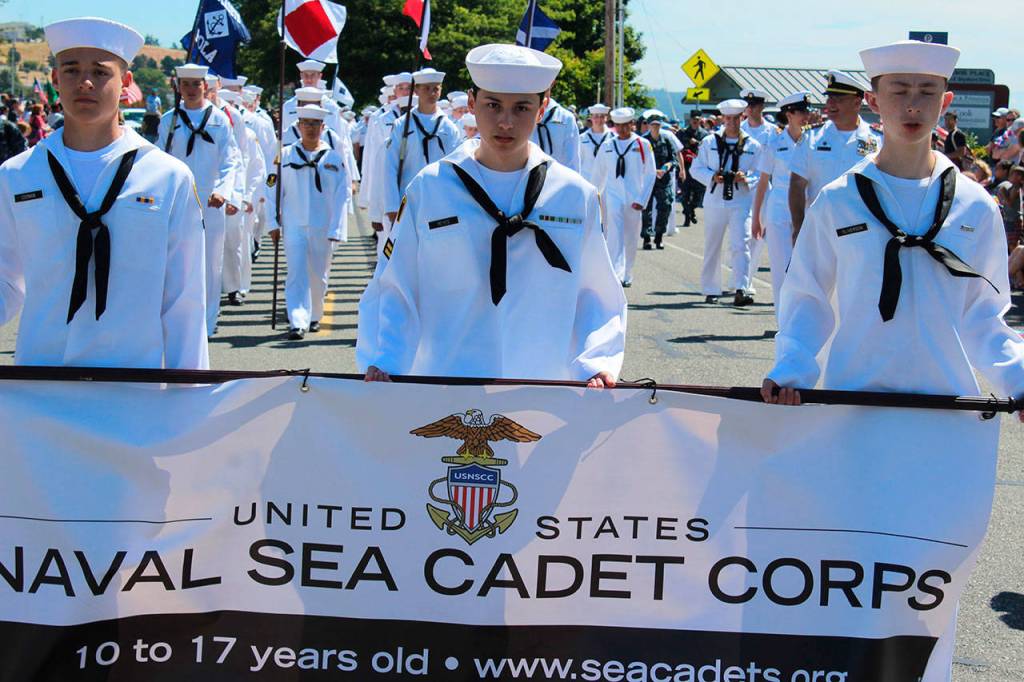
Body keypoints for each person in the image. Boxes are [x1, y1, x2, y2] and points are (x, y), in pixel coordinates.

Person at [762, 38, 1024, 682]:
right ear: (874, 100)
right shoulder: (841, 201)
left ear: (944, 101)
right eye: (899, 91)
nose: (913, 104)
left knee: (934, 579)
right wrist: (793, 368)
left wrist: (1017, 383)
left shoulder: (975, 205)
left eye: (926, 92)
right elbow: (806, 301)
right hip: (855, 416)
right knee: (852, 573)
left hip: (948, 423)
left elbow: (987, 316)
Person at [361, 43, 626, 385]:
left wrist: (596, 362)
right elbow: (396, 283)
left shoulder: (574, 196)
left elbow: (597, 290)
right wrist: (386, 360)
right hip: (447, 379)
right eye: (492, 105)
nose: (505, 121)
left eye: (521, 108)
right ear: (471, 103)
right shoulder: (431, 188)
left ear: (542, 108)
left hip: (541, 383)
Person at [0, 17, 208, 369]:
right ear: (54, 79)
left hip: (134, 386)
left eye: (100, 72)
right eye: (70, 70)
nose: (84, 82)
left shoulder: (166, 176)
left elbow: (184, 300)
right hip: (41, 383)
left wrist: (190, 398)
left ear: (125, 82)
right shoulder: (17, 175)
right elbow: (6, 281)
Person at [157, 63, 241, 338]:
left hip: (210, 201)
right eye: (186, 84)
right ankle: (179, 320)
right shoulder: (169, 120)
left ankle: (207, 322)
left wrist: (223, 190)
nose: (191, 90)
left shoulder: (219, 120)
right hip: (177, 200)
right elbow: (158, 159)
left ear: (206, 87)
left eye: (196, 84)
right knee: (177, 263)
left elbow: (231, 161)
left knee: (210, 265)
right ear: (178, 87)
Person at [268, 105, 349, 340]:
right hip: (293, 223)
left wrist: (337, 227)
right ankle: (297, 320)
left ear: (323, 128)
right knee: (295, 272)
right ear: (298, 126)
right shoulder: (284, 155)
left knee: (318, 274)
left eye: (315, 124)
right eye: (306, 124)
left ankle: (315, 314)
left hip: (322, 226)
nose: (311, 129)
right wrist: (273, 222)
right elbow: (272, 188)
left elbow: (341, 196)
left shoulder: (333, 158)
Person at [788, 70, 883, 241]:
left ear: (856, 102)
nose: (830, 104)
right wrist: (798, 227)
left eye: (838, 99)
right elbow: (797, 184)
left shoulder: (878, 140)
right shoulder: (811, 138)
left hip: (862, 231)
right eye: (829, 98)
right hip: (820, 229)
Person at [689, 99, 763, 306]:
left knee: (742, 243)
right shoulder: (709, 142)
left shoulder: (752, 145)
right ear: (722, 119)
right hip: (715, 200)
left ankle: (741, 287)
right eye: (728, 118)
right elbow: (696, 169)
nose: (731, 122)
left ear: (742, 118)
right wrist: (712, 176)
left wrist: (746, 177)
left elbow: (760, 173)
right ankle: (711, 288)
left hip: (741, 201)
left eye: (735, 118)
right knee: (713, 245)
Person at [750, 91, 811, 314]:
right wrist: (757, 217)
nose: (806, 116)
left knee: (804, 267)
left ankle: (801, 316)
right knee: (780, 267)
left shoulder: (812, 141)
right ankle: (782, 318)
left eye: (807, 111)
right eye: (801, 112)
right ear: (789, 114)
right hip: (778, 211)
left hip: (806, 211)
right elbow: (763, 182)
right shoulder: (774, 143)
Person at [383, 67, 463, 223]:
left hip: (440, 200)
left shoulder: (449, 127)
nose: (432, 93)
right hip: (408, 198)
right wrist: (392, 206)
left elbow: (456, 167)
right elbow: (390, 166)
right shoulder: (402, 124)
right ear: (417, 91)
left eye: (436, 89)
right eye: (427, 88)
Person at [591, 107, 656, 287]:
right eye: (618, 126)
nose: (621, 130)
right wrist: (593, 197)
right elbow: (598, 174)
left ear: (632, 124)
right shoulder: (607, 146)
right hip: (613, 196)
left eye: (625, 126)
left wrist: (642, 200)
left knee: (631, 237)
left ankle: (627, 272)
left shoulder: (642, 145)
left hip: (634, 197)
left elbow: (650, 173)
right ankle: (615, 273)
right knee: (614, 234)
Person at [641, 112, 678, 250]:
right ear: (649, 126)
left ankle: (659, 236)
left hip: (664, 179)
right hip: (648, 179)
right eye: (653, 125)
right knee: (646, 209)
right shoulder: (643, 142)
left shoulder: (666, 140)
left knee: (665, 207)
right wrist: (651, 171)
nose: (655, 128)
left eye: (657, 125)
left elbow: (673, 159)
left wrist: (667, 167)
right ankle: (646, 238)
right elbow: (638, 161)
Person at [531, 91, 582, 173]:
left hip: (557, 180)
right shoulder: (521, 114)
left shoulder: (566, 118)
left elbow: (572, 162)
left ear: (552, 82)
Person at [677, 110, 708, 226]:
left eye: (698, 119)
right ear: (690, 120)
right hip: (685, 166)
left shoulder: (704, 134)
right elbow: (677, 148)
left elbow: (707, 148)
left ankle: (691, 209)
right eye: (694, 119)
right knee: (685, 193)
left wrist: (697, 143)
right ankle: (687, 215)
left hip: (699, 167)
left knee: (699, 193)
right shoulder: (682, 133)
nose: (695, 121)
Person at [579, 103, 611, 183]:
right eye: (596, 116)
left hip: (607, 183)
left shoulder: (613, 137)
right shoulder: (582, 138)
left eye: (602, 117)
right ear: (591, 118)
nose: (599, 120)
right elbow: (579, 161)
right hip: (586, 180)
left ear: (606, 118)